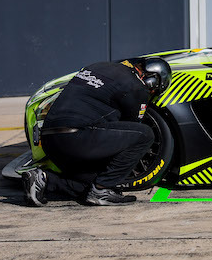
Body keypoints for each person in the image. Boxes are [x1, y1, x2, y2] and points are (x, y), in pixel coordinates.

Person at [21, 57, 171, 206]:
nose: (151, 92)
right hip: (77, 138)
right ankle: (102, 190)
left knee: (91, 183)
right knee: (144, 135)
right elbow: (130, 128)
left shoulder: (99, 66)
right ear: (153, 80)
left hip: (49, 140)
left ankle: (44, 179)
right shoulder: (136, 87)